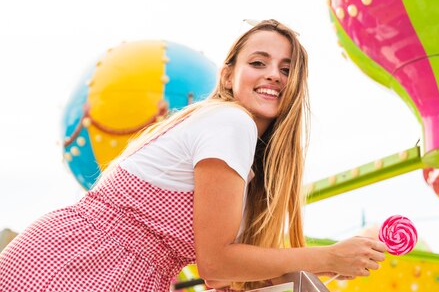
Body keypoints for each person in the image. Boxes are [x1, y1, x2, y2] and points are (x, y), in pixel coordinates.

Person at [0, 19, 387, 292]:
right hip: (85, 263)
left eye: (287, 69)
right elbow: (216, 263)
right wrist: (327, 257)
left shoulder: (246, 161)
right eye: (258, 62)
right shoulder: (230, 123)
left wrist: (341, 260)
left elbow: (224, 276)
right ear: (226, 76)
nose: (273, 75)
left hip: (114, 267)